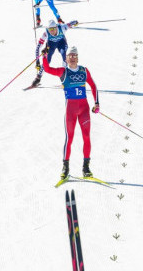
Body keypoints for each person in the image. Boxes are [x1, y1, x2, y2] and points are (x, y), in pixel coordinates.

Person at [42, 45, 100, 180]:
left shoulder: (84, 70)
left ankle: (86, 168)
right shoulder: (63, 71)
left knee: (86, 137)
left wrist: (96, 103)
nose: (72, 58)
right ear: (66, 58)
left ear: (77, 58)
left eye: (75, 55)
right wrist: (44, 56)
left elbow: (93, 85)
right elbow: (47, 69)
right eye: (70, 56)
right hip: (70, 111)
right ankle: (65, 167)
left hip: (84, 109)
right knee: (69, 138)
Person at [27, 18, 78, 88]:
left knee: (65, 56)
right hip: (51, 45)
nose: (52, 31)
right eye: (50, 29)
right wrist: (37, 62)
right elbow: (38, 48)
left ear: (56, 27)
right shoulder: (46, 33)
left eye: (53, 29)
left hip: (61, 43)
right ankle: (38, 78)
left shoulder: (62, 28)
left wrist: (74, 22)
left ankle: (66, 78)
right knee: (47, 61)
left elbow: (70, 24)